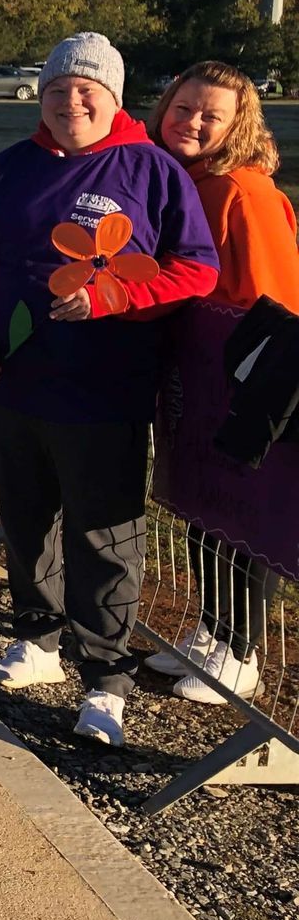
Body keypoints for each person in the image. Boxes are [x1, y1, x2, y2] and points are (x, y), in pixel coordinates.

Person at [0, 33, 218, 747]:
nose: (73, 101)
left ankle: (105, 682)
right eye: (59, 88)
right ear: (42, 95)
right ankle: (37, 641)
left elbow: (197, 269)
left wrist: (117, 299)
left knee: (105, 537)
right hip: (9, 387)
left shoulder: (152, 171)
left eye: (88, 89)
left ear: (114, 97)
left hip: (103, 394)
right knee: (28, 519)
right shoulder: (10, 170)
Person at [146, 62, 299, 705]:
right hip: (195, 374)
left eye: (212, 114)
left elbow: (271, 303)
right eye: (185, 108)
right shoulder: (183, 179)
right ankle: (212, 631)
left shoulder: (244, 189)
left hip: (244, 379)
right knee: (204, 504)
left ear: (238, 125)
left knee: (242, 508)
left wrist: (247, 383)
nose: (194, 122)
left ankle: (242, 651)